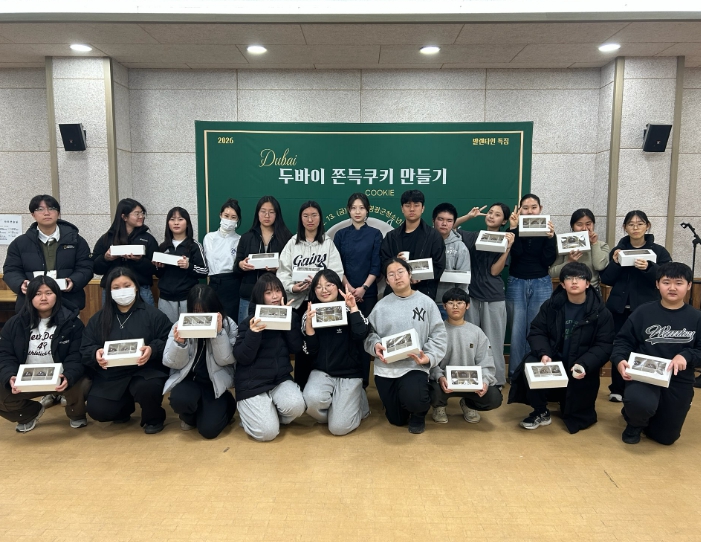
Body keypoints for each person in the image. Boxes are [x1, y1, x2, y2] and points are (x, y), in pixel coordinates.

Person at [508, 262, 615, 433]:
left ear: (588, 283)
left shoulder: (600, 312)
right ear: (563, 284)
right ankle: (540, 411)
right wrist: (544, 353)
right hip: (553, 359)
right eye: (569, 278)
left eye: (580, 278)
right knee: (531, 363)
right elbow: (537, 331)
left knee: (576, 415)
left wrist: (584, 364)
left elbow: (604, 345)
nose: (574, 282)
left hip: (580, 364)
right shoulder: (551, 306)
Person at [612, 262, 701, 445]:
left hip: (678, 378)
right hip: (644, 374)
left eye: (679, 283)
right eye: (666, 282)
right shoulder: (643, 312)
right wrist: (620, 359)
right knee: (639, 404)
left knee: (666, 438)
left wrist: (686, 355)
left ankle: (649, 417)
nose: (672, 288)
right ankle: (634, 422)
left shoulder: (696, 317)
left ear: (689, 286)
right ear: (657, 284)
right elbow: (623, 341)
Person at [80, 267, 173, 434]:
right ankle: (123, 409)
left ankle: (154, 418)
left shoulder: (153, 315)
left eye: (127, 285)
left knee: (148, 387)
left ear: (136, 287)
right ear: (109, 291)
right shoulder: (99, 318)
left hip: (145, 370)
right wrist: (95, 353)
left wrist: (152, 349)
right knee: (97, 410)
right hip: (111, 374)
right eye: (116, 288)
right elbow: (86, 346)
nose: (122, 291)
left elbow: (169, 340)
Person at [365, 258, 447, 434]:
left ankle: (419, 413)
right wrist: (375, 345)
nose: (397, 277)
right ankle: (402, 403)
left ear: (410, 274)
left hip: (414, 365)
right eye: (391, 274)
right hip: (386, 368)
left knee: (415, 401)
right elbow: (369, 335)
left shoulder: (426, 303)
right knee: (396, 420)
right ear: (387, 281)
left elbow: (439, 335)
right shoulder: (380, 306)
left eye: (400, 272)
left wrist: (429, 357)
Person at [0, 276, 91, 432]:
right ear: (29, 297)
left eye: (48, 293)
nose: (43, 298)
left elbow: (76, 356)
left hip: (61, 378)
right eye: (37, 294)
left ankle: (76, 413)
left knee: (84, 382)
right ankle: (29, 413)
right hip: (27, 379)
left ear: (57, 295)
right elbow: (5, 355)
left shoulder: (72, 323)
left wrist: (68, 376)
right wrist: (10, 376)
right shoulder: (14, 324)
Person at [599, 210, 672, 402]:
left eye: (640, 224)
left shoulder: (658, 251)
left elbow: (666, 279)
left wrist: (649, 268)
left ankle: (642, 387)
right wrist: (616, 262)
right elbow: (606, 279)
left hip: (646, 310)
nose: (635, 228)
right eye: (631, 224)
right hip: (619, 309)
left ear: (647, 226)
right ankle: (617, 388)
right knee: (619, 347)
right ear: (625, 227)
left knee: (645, 347)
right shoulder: (618, 250)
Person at [277, 200, 344, 389]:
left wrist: (320, 285)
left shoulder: (328, 243)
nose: (310, 219)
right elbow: (282, 272)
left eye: (314, 215)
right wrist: (292, 288)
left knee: (321, 343)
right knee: (300, 346)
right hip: (298, 303)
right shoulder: (292, 243)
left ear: (320, 218)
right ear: (301, 219)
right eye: (306, 216)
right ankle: (300, 384)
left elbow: (337, 273)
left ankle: (322, 385)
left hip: (321, 302)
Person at [232, 273, 306, 442]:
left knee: (297, 406)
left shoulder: (291, 316)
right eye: (268, 292)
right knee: (267, 433)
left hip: (278, 380)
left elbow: (296, 348)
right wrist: (253, 333)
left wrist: (287, 319)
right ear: (260, 296)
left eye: (278, 291)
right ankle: (251, 415)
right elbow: (242, 357)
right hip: (252, 384)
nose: (275, 296)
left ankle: (266, 414)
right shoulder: (249, 322)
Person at [162, 285, 237, 439]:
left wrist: (219, 334)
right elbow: (170, 361)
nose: (201, 315)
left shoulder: (228, 325)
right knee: (179, 399)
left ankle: (226, 404)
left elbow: (226, 360)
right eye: (196, 311)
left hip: (215, 384)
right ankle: (191, 415)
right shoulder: (180, 324)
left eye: (206, 311)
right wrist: (180, 344)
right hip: (190, 381)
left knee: (209, 431)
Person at [302, 269, 370, 436]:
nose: (324, 290)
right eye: (318, 287)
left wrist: (353, 307)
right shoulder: (310, 313)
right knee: (311, 402)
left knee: (338, 428)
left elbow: (361, 334)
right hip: (322, 372)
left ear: (338, 286)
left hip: (349, 374)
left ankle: (359, 401)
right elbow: (310, 351)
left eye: (329, 285)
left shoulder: (349, 308)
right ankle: (340, 410)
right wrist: (309, 325)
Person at [455, 202, 514, 387]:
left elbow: (495, 271)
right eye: (490, 212)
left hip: (494, 297)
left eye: (497, 215)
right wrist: (469, 216)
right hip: (471, 295)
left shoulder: (505, 239)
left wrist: (507, 248)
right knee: (471, 341)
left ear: (503, 221)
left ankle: (496, 382)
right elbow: (449, 227)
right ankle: (471, 379)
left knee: (493, 342)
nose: (491, 216)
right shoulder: (474, 236)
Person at [3, 194, 93, 313]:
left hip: (68, 303)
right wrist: (20, 284)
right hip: (31, 305)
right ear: (33, 214)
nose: (46, 213)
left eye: (51, 208)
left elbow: (86, 267)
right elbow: (11, 270)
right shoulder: (20, 243)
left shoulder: (76, 241)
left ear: (58, 213)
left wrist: (73, 281)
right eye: (40, 209)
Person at [429, 288, 502, 425]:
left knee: (494, 397)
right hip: (444, 382)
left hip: (471, 383)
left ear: (467, 306)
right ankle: (439, 406)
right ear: (444, 306)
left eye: (460, 303)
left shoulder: (477, 332)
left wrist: (485, 381)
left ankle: (469, 404)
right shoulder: (437, 331)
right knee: (429, 391)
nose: (455, 306)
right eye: (450, 303)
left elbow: (486, 362)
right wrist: (439, 376)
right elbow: (431, 361)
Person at [505, 193, 557, 380]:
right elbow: (517, 254)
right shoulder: (512, 229)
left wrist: (551, 237)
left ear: (540, 209)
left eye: (533, 207)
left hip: (541, 282)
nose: (529, 211)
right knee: (517, 329)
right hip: (516, 281)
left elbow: (548, 260)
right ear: (520, 211)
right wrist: (514, 228)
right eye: (525, 208)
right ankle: (515, 373)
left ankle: (533, 372)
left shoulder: (548, 230)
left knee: (538, 328)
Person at [332, 192, 382, 387]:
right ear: (348, 210)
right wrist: (349, 288)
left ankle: (363, 383)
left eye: (361, 208)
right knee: (344, 335)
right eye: (354, 208)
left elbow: (376, 266)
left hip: (367, 294)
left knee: (364, 336)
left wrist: (363, 288)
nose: (357, 212)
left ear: (367, 210)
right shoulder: (341, 235)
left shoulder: (375, 234)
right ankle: (344, 380)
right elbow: (337, 266)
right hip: (344, 293)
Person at [234, 196, 292, 325]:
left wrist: (278, 268)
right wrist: (241, 265)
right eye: (263, 211)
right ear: (257, 213)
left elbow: (291, 267)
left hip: (275, 297)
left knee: (275, 331)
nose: (267, 215)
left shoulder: (286, 237)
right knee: (247, 331)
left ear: (277, 214)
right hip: (249, 295)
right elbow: (236, 267)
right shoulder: (246, 237)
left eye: (271, 212)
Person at [380, 189, 446, 300]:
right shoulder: (391, 236)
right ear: (402, 208)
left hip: (423, 293)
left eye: (416, 205)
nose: (412, 209)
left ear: (422, 208)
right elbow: (383, 263)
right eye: (407, 205)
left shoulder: (433, 236)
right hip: (395, 293)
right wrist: (395, 260)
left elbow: (439, 266)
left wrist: (419, 277)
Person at [91, 198, 158, 306]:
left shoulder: (148, 239)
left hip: (141, 289)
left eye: (142, 213)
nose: (141, 216)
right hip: (112, 290)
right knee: (109, 317)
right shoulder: (107, 238)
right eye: (137, 213)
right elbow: (95, 268)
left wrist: (139, 260)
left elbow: (155, 269)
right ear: (124, 217)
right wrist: (106, 258)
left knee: (146, 317)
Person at [153, 207, 208, 323]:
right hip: (166, 298)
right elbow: (158, 274)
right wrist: (158, 266)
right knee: (168, 330)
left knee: (189, 330)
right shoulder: (163, 247)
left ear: (187, 223)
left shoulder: (194, 246)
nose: (176, 223)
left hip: (187, 298)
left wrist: (189, 266)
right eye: (172, 219)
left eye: (180, 219)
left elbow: (204, 271)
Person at [549, 208, 610, 292]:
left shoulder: (602, 245)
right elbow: (552, 273)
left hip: (591, 290)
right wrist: (569, 262)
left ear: (593, 225)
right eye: (579, 224)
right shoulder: (564, 245)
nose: (584, 228)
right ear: (572, 226)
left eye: (588, 224)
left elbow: (599, 266)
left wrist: (594, 244)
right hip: (568, 291)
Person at [203, 198, 242, 323]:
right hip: (214, 283)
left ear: (237, 219)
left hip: (232, 284)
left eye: (233, 217)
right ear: (220, 215)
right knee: (213, 320)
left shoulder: (240, 240)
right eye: (226, 216)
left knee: (231, 321)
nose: (229, 220)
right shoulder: (209, 237)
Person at [432, 202, 470, 320]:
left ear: (453, 223)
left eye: (449, 220)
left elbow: (464, 281)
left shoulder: (460, 247)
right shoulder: (423, 242)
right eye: (440, 219)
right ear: (433, 220)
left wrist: (457, 304)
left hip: (447, 304)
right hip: (424, 301)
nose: (444, 224)